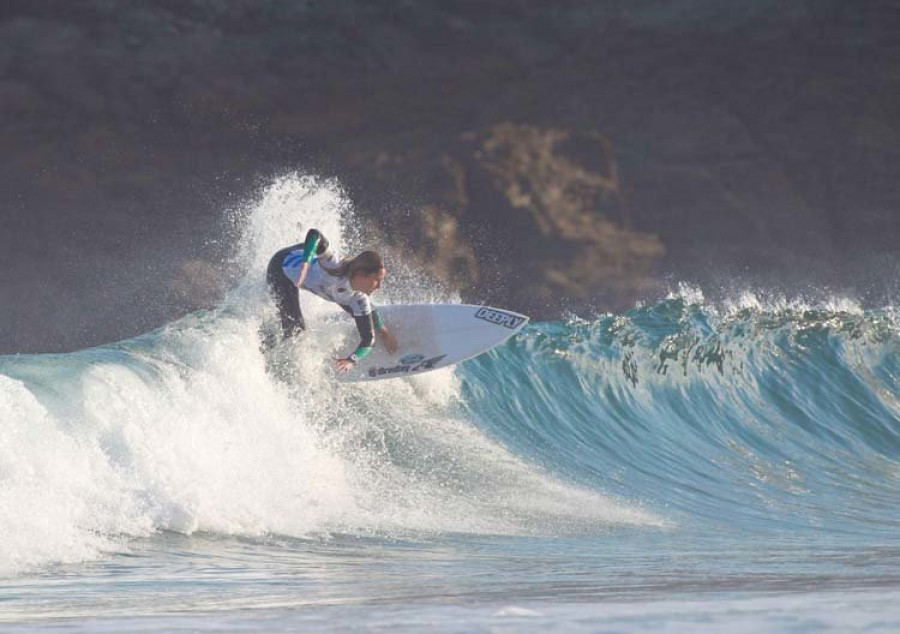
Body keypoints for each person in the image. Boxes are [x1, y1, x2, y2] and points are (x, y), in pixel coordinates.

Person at [266, 228, 398, 372]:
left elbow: (368, 340)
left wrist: (351, 360)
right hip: (281, 267)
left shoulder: (358, 299)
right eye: (376, 280)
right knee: (295, 328)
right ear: (361, 274)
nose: (379, 286)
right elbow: (314, 234)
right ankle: (265, 351)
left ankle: (383, 330)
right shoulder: (333, 264)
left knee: (360, 309)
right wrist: (306, 263)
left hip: (327, 287)